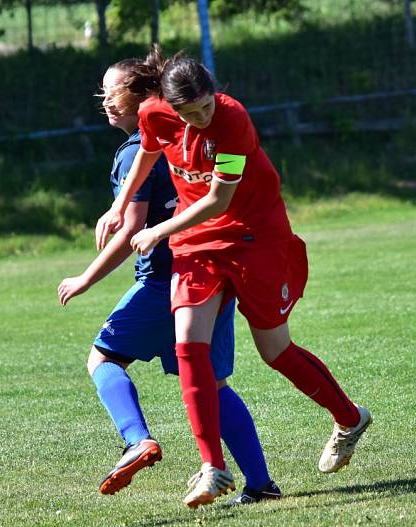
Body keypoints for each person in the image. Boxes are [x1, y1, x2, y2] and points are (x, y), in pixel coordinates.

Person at [96, 45, 372, 508]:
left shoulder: (232, 119)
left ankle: (350, 418)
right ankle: (213, 467)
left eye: (207, 105)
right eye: (191, 111)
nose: (202, 116)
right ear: (170, 105)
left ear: (214, 95)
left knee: (275, 350)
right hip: (198, 243)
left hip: (254, 237)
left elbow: (219, 201)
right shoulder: (155, 112)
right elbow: (147, 152)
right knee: (188, 345)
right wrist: (118, 206)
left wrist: (158, 230)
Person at [58, 58, 282, 505]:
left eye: (114, 92)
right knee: (212, 384)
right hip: (210, 272)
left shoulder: (141, 147)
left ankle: (137, 440)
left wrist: (86, 277)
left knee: (101, 360)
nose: (106, 101)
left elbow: (132, 229)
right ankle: (260, 483)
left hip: (168, 279)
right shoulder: (181, 136)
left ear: (142, 96)